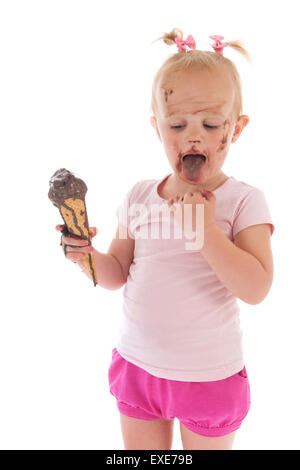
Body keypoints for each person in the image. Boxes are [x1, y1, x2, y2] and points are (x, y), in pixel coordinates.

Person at [56, 29, 275, 450]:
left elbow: (257, 288)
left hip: (208, 377)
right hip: (138, 368)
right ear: (158, 127)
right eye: (178, 124)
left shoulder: (243, 201)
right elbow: (117, 273)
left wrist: (205, 231)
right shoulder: (140, 195)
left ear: (237, 128)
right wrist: (85, 255)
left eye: (211, 124)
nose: (194, 136)